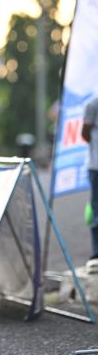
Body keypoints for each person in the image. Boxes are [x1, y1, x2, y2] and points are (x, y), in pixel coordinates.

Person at [82, 96, 98, 273]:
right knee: (96, 211)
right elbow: (85, 133)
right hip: (96, 166)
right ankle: (96, 254)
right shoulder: (93, 105)